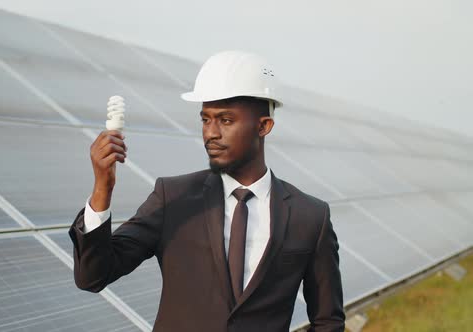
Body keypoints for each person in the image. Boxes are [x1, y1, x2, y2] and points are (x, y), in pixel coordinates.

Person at [69, 50, 345, 331]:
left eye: (225, 120)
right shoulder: (174, 197)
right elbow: (93, 277)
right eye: (205, 119)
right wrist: (102, 189)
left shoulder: (310, 216)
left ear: (264, 126)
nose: (211, 133)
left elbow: (328, 321)